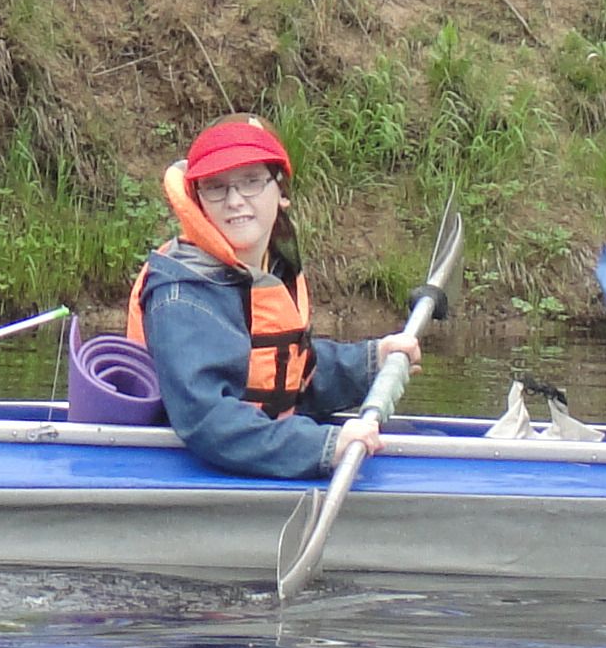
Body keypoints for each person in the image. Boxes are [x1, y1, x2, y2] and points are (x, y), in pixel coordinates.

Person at [128, 115, 416, 481]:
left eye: (251, 181)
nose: (235, 201)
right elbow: (208, 420)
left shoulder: (268, 269)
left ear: (280, 192)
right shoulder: (180, 292)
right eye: (216, 187)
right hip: (179, 465)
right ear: (198, 202)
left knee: (418, 435)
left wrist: (372, 361)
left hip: (258, 445)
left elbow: (289, 373)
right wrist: (323, 447)